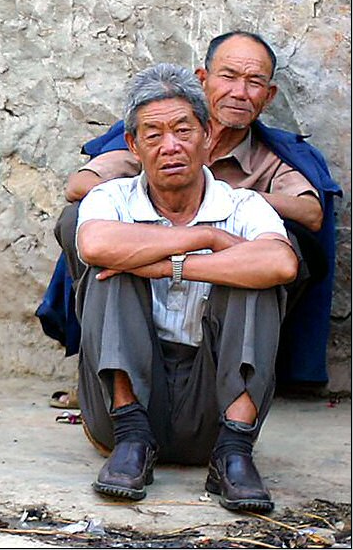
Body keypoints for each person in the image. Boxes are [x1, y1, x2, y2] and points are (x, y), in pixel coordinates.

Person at [38, 30, 341, 388]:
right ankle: (108, 371)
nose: (239, 93)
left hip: (219, 286)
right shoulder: (158, 135)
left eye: (254, 82)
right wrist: (166, 205)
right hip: (135, 277)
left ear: (269, 95)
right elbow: (79, 186)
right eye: (228, 77)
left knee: (282, 241)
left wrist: (221, 197)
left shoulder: (271, 156)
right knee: (79, 219)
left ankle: (240, 378)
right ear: (203, 79)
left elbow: (310, 213)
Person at [76, 63, 298, 512]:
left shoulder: (243, 205)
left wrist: (177, 268)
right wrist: (206, 239)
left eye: (183, 129)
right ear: (133, 146)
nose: (170, 146)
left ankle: (234, 453)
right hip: (125, 403)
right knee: (113, 269)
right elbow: (94, 242)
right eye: (153, 135)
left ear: (207, 139)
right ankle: (132, 437)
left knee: (255, 277)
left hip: (213, 401)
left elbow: (280, 261)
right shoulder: (112, 198)